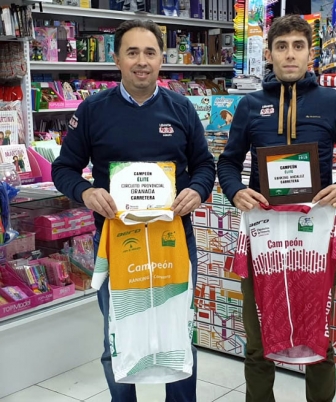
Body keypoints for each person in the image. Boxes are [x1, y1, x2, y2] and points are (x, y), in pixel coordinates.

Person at [52, 19, 215, 402]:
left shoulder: (181, 108)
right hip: (116, 244)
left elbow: (205, 165)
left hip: (174, 241)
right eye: (132, 52)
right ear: (117, 59)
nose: (141, 62)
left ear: (161, 59)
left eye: (150, 52)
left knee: (177, 331)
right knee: (117, 334)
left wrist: (197, 189)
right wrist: (86, 193)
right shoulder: (93, 110)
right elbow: (63, 169)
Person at [217, 14, 336, 402]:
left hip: (315, 233)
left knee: (317, 335)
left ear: (310, 54)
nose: (290, 55)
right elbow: (227, 162)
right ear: (268, 54)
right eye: (282, 47)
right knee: (257, 339)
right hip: (264, 234)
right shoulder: (250, 106)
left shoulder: (333, 102)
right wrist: (236, 190)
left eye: (298, 47)